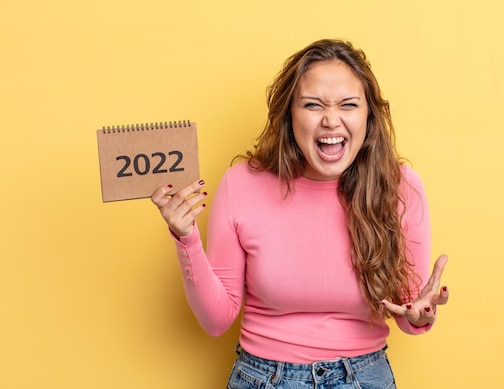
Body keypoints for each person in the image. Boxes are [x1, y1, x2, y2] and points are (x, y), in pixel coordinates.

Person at [151, 39, 449, 388]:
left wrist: (418, 315)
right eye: (312, 105)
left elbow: (407, 310)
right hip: (264, 378)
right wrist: (186, 237)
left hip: (366, 377)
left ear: (369, 116)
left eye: (348, 105)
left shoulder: (402, 187)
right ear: (289, 115)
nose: (331, 120)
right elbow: (216, 320)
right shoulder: (241, 185)